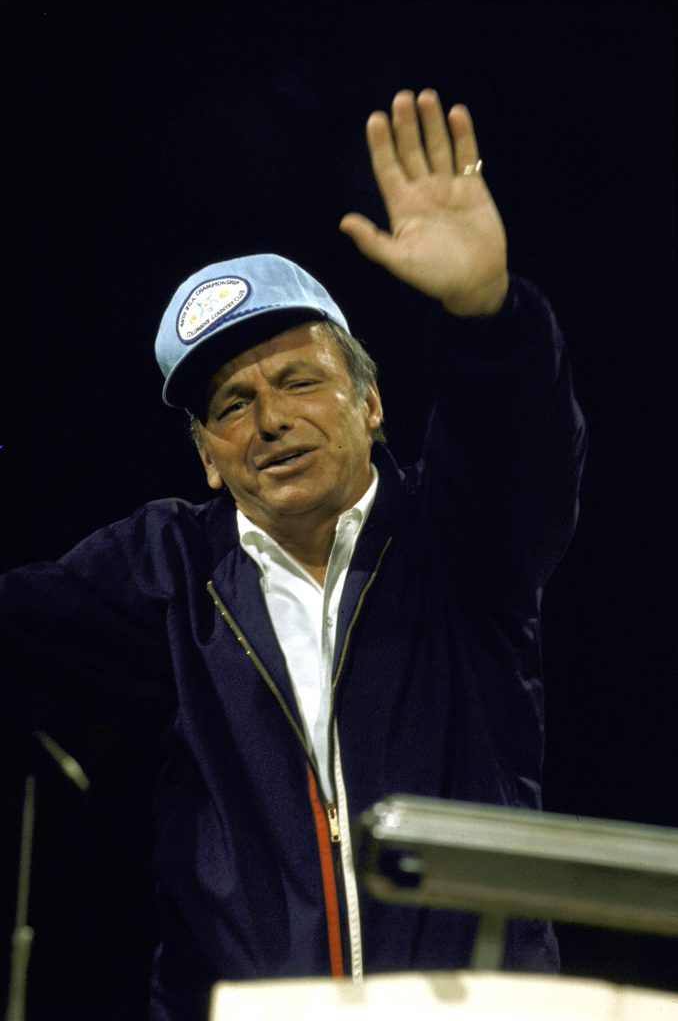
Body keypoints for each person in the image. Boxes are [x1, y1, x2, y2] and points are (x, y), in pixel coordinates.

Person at [1, 90, 586, 1020]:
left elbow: (522, 443)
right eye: (231, 405)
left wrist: (488, 314)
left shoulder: (459, 538)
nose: (269, 419)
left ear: (371, 403)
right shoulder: (166, 573)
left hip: (479, 1006)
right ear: (205, 455)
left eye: (300, 381)